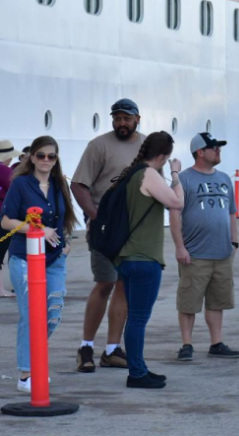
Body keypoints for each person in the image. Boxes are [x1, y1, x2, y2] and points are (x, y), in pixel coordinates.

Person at [71, 98, 146, 372]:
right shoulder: (98, 146)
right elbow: (79, 185)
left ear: (138, 119)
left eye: (126, 118)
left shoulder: (148, 147)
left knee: (124, 285)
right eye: (117, 118)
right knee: (105, 283)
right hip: (104, 230)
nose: (121, 123)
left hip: (135, 230)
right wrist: (95, 215)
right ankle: (86, 347)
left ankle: (113, 349)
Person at [0, 136, 78, 392]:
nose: (46, 160)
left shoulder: (58, 185)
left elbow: (64, 217)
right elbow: (6, 221)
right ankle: (26, 374)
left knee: (52, 313)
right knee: (31, 314)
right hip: (24, 257)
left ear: (56, 160)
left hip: (55, 258)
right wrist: (38, 228)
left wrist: (65, 242)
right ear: (32, 157)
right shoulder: (20, 184)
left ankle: (36, 359)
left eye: (51, 156)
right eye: (41, 155)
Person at [112, 131, 183, 388]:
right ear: (162, 156)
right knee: (139, 318)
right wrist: (175, 174)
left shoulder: (133, 174)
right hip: (144, 258)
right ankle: (137, 374)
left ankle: (139, 367)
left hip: (128, 257)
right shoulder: (149, 174)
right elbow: (177, 202)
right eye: (168, 158)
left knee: (135, 316)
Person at [171, 133, 239, 362]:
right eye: (214, 147)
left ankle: (216, 343)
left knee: (217, 301)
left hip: (222, 252)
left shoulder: (224, 178)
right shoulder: (184, 179)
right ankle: (186, 344)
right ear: (200, 152)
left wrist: (234, 242)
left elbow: (231, 212)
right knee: (189, 302)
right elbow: (175, 215)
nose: (218, 151)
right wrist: (180, 247)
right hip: (195, 253)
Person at [0, 140, 22, 297]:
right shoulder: (4, 170)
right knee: (1, 252)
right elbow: (16, 189)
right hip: (3, 216)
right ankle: (0, 289)